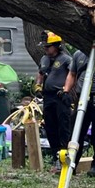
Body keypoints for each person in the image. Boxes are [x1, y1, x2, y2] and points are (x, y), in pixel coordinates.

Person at [63, 51, 95, 177]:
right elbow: (72, 74)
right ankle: (71, 164)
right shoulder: (78, 55)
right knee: (76, 131)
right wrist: (66, 91)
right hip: (81, 98)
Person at [35, 31, 73, 170]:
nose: (45, 49)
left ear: (56, 46)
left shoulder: (66, 59)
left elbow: (72, 75)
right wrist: (38, 85)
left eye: (48, 46)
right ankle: (54, 154)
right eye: (44, 47)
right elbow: (40, 73)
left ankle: (64, 154)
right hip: (48, 97)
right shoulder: (44, 59)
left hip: (60, 97)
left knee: (63, 126)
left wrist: (66, 90)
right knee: (50, 126)